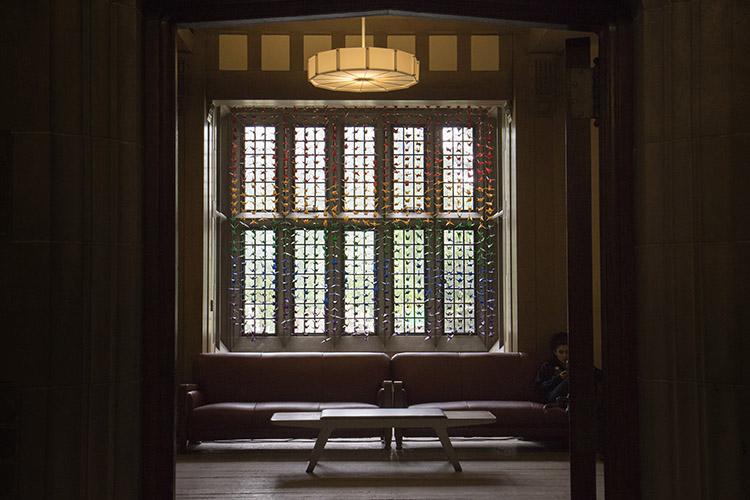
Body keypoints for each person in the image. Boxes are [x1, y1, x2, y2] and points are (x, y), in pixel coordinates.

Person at [536, 332, 569, 405]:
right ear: (555, 352)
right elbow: (541, 387)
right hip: (551, 395)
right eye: (561, 352)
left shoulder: (577, 364)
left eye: (567, 352)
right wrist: (559, 378)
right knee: (568, 381)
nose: (565, 355)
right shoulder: (548, 365)